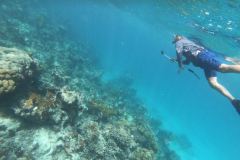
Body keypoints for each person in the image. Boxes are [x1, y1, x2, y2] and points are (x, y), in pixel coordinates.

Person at [173, 35, 240, 114]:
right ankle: (234, 101)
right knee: (213, 83)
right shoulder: (187, 46)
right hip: (203, 63)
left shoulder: (179, 42)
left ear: (178, 38)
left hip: (203, 57)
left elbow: (178, 52)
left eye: (174, 40)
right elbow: (187, 62)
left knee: (223, 68)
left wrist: (180, 65)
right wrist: (178, 61)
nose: (174, 41)